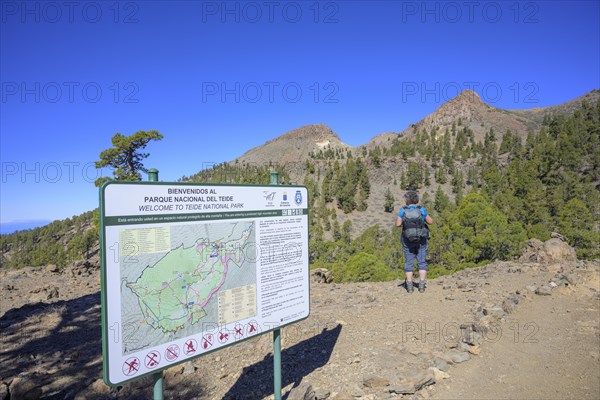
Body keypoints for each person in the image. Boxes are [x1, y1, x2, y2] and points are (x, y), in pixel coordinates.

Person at [395, 190, 433, 293]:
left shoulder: (403, 210)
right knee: (422, 261)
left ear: (407, 200)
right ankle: (421, 285)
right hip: (421, 239)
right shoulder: (421, 209)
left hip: (407, 240)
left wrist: (404, 221)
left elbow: (398, 225)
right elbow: (430, 221)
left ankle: (410, 286)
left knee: (409, 261)